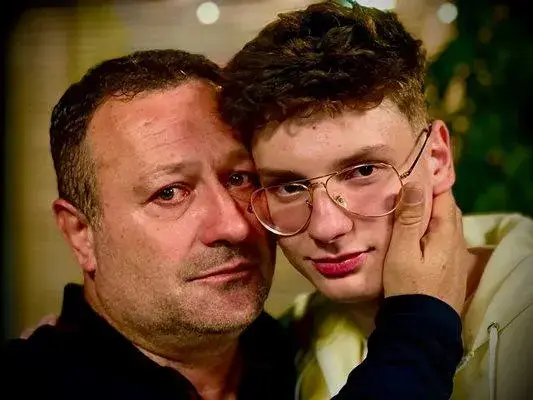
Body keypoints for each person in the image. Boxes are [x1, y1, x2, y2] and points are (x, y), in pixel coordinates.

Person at [1, 49, 466, 399]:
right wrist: (418, 331)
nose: (233, 226)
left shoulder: (297, 352)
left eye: (240, 178)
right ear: (81, 233)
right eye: (169, 193)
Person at [219, 2, 533, 400]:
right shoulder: (282, 347)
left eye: (364, 170)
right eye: (290, 187)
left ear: (437, 159)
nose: (327, 227)